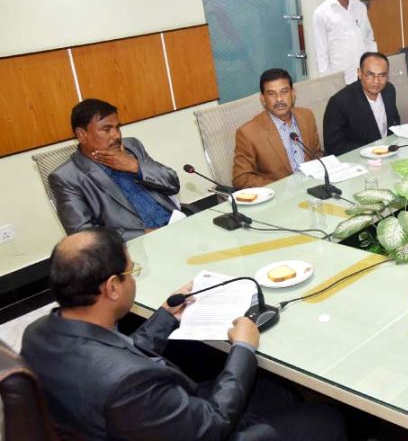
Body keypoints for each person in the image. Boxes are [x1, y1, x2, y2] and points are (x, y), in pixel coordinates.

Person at [21, 229, 345, 440]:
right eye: (130, 272)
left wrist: (165, 316)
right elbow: (214, 425)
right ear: (112, 288)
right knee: (325, 418)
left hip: (138, 422)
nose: (133, 278)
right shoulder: (129, 384)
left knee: (277, 391)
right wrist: (243, 347)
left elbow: (115, 354)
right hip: (194, 428)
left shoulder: (38, 333)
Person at [49, 99, 180, 241]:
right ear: (81, 135)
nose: (116, 135)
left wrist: (135, 166)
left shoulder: (132, 147)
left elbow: (173, 185)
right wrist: (147, 235)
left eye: (117, 128)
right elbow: (83, 234)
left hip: (175, 225)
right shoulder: (67, 177)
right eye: (106, 130)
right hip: (133, 245)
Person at [233, 68, 322, 189]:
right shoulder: (248, 133)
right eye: (271, 94)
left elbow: (316, 153)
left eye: (284, 92)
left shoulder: (307, 116)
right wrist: (282, 187)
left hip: (313, 187)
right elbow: (241, 179)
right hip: (281, 197)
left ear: (293, 94)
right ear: (263, 98)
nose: (279, 99)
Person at [312, 0, 377, 83]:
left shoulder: (360, 7)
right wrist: (328, 83)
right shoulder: (321, 13)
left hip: (364, 77)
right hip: (341, 81)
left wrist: (373, 69)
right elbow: (321, 55)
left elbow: (369, 39)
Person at [324, 52, 401, 154]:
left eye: (382, 75)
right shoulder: (339, 102)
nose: (376, 81)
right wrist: (371, 151)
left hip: (388, 154)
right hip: (358, 160)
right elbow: (333, 147)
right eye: (370, 74)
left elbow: (394, 125)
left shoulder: (389, 91)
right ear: (359, 73)